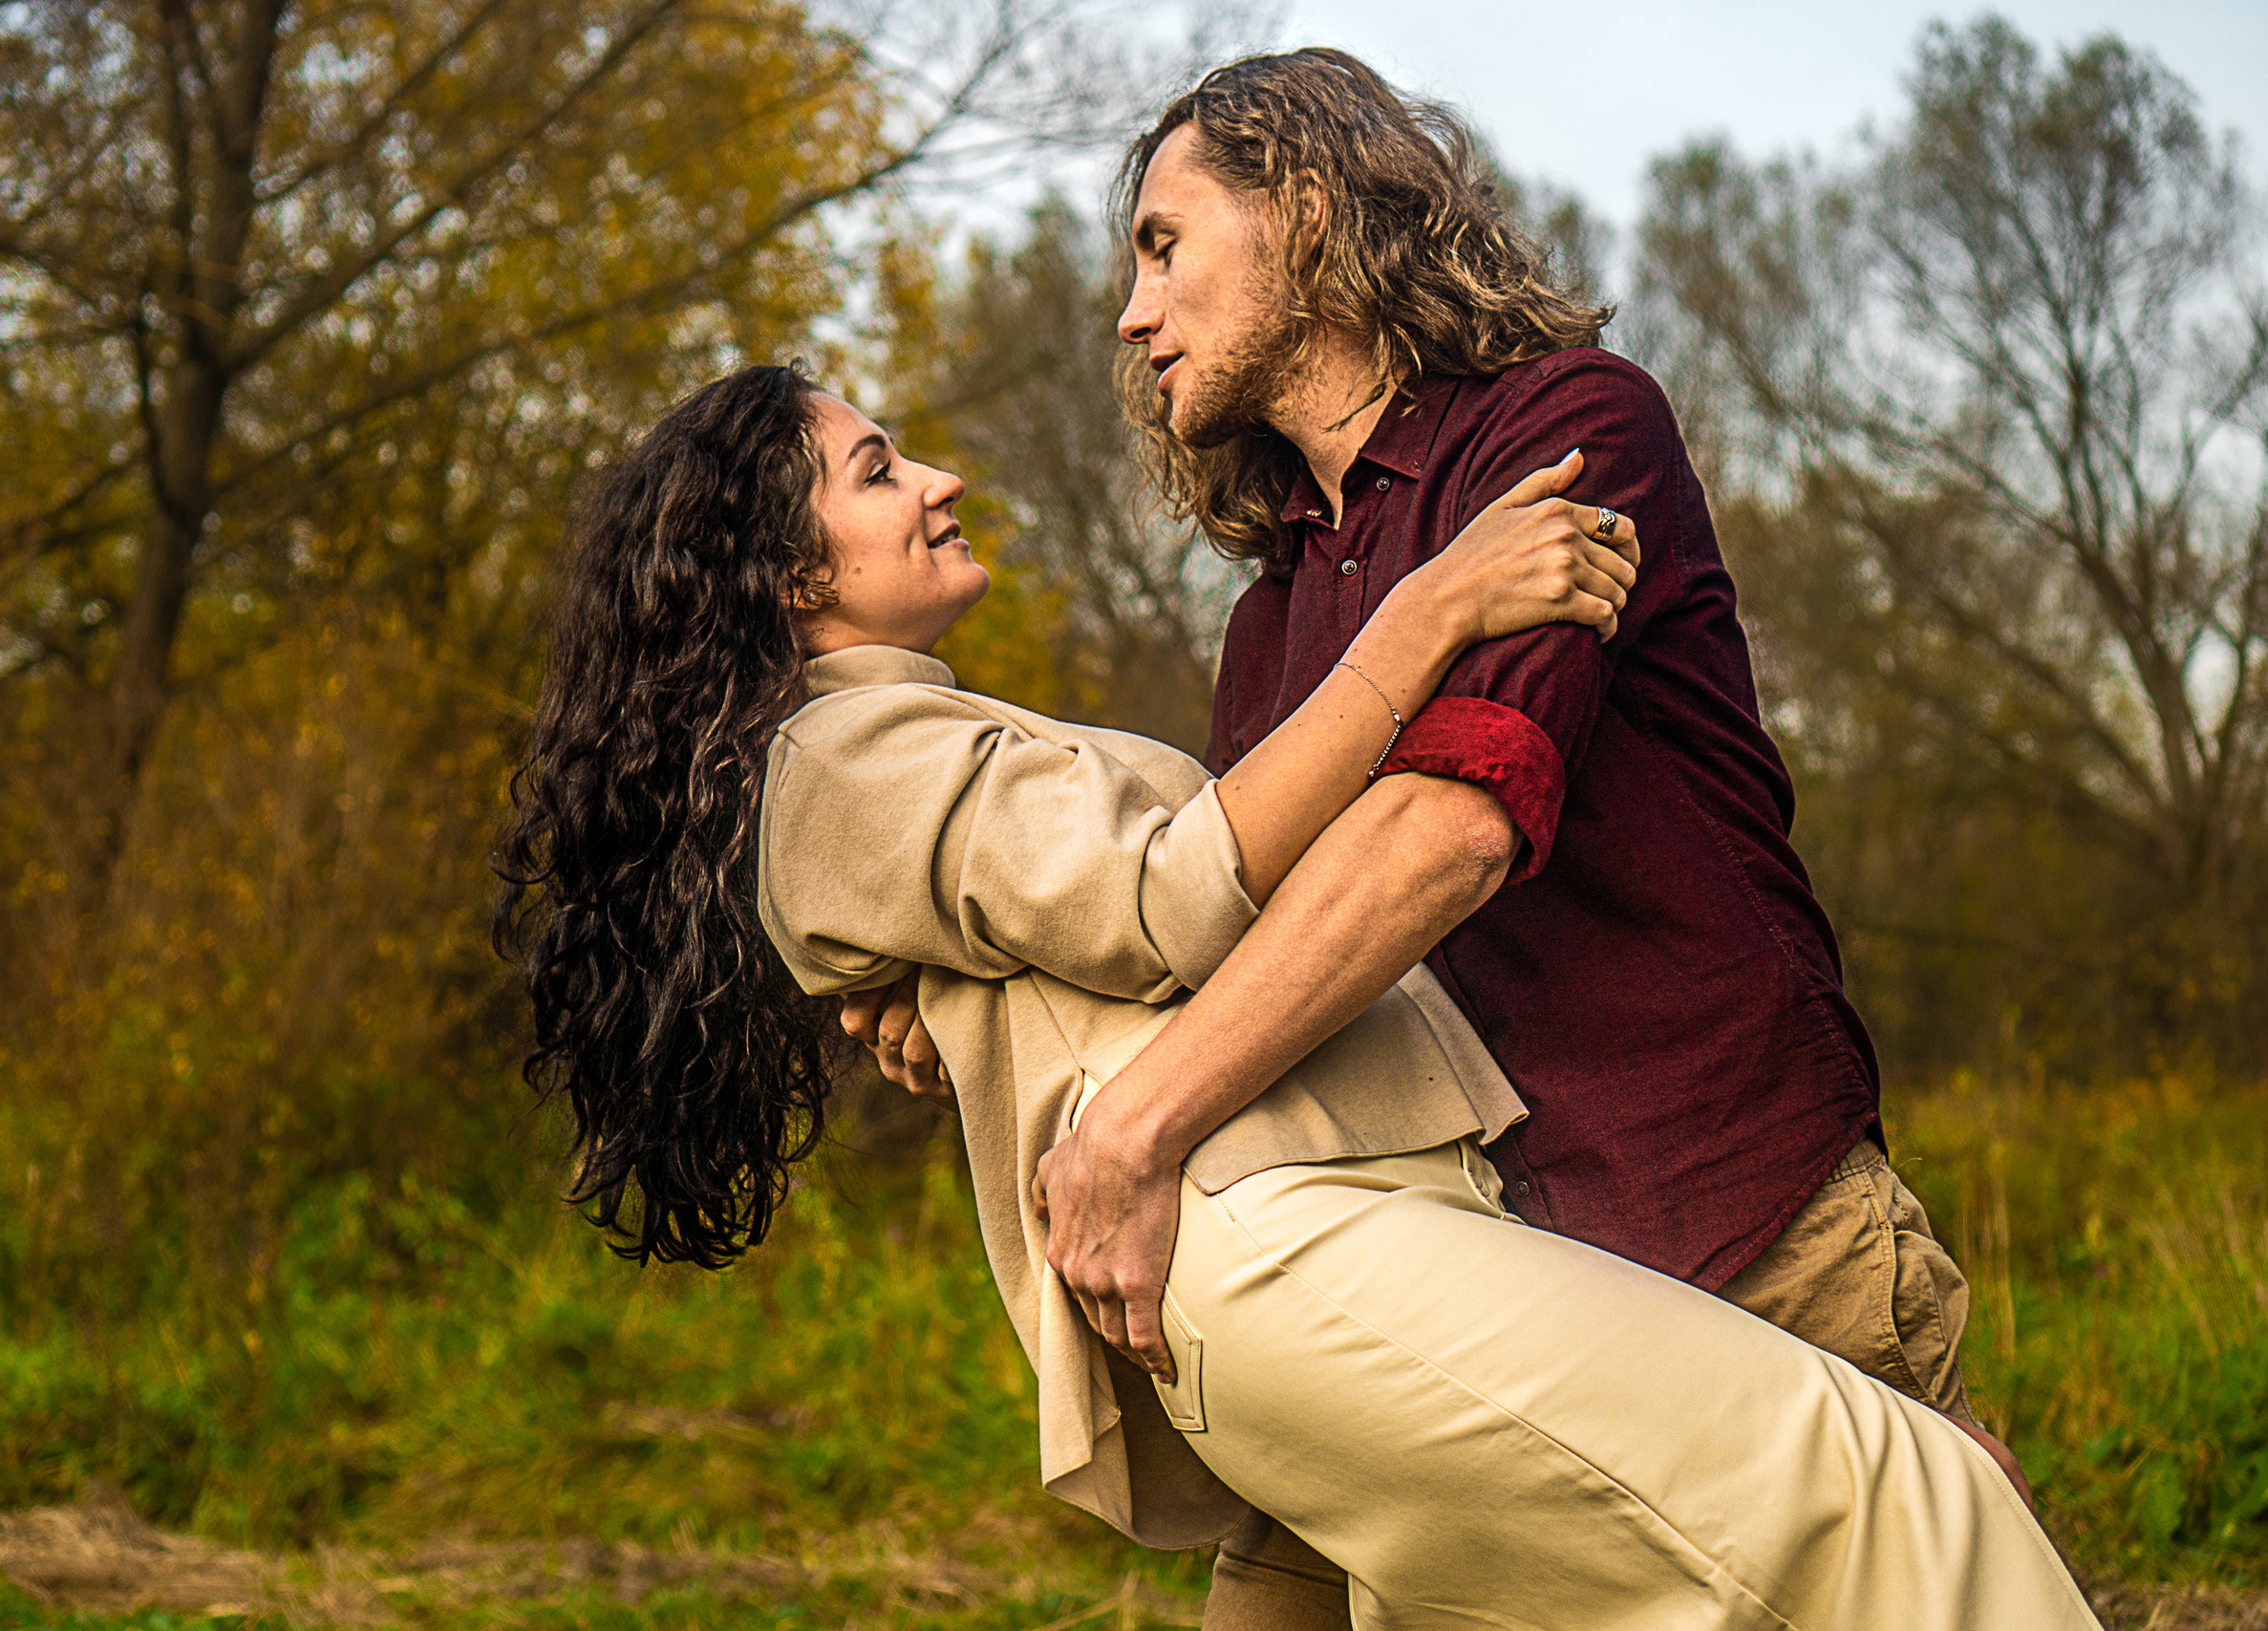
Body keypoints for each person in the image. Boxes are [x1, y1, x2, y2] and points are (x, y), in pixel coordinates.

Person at [495, 361, 2100, 1628]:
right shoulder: (842, 759)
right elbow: (1173, 895)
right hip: (1284, 1223)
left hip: (1326, 1222)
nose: (939, 479)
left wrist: (965, 1018)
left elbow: (1069, 918)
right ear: (785, 574)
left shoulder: (874, 756)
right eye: (876, 470)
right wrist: (1435, 611)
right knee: (1908, 1496)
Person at [846, 48, 2030, 1625]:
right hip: (1467, 1287)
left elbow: (1446, 831)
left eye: (1162, 245)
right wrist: (961, 1000)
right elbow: (1213, 937)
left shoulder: (1565, 435)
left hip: (1730, 1222)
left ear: (1314, 210)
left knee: (1937, 1569)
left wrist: (1129, 1133)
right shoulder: (1274, 625)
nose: (1133, 316)